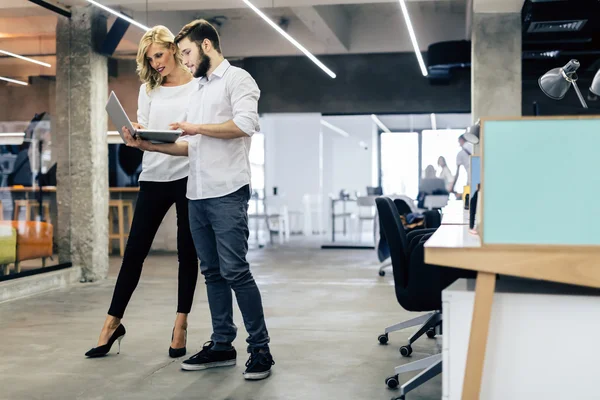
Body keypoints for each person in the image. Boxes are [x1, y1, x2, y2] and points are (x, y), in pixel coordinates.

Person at [122, 19, 274, 381]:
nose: (184, 61)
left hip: (227, 192)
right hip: (197, 193)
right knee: (212, 273)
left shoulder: (238, 80)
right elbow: (188, 147)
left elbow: (245, 125)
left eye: (187, 53)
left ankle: (261, 349)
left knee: (236, 271)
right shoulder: (198, 90)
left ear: (206, 46)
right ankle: (223, 344)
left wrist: (198, 128)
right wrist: (146, 144)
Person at [85, 26, 199, 359]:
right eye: (149, 59)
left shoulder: (197, 88)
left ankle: (181, 325)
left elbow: (193, 141)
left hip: (187, 177)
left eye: (159, 55)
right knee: (134, 252)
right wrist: (132, 137)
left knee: (186, 253)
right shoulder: (148, 89)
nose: (155, 63)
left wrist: (155, 143)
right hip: (153, 176)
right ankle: (111, 324)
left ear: (173, 49)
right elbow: (143, 128)